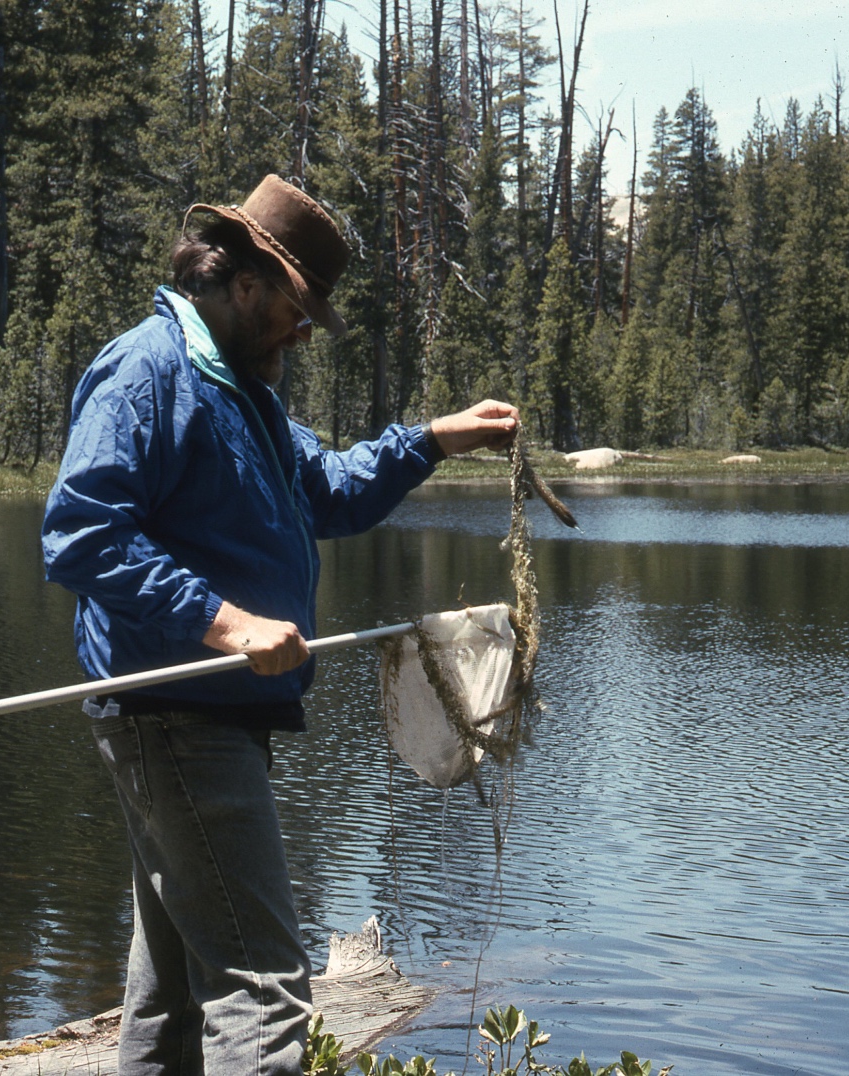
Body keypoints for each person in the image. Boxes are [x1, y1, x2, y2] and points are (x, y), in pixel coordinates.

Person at [40, 174, 518, 1075]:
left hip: (203, 719)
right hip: (175, 714)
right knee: (264, 987)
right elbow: (80, 534)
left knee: (173, 989)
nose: (305, 330)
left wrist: (434, 441)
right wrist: (227, 624)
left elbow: (328, 490)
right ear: (246, 282)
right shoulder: (148, 371)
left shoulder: (242, 393)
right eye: (298, 308)